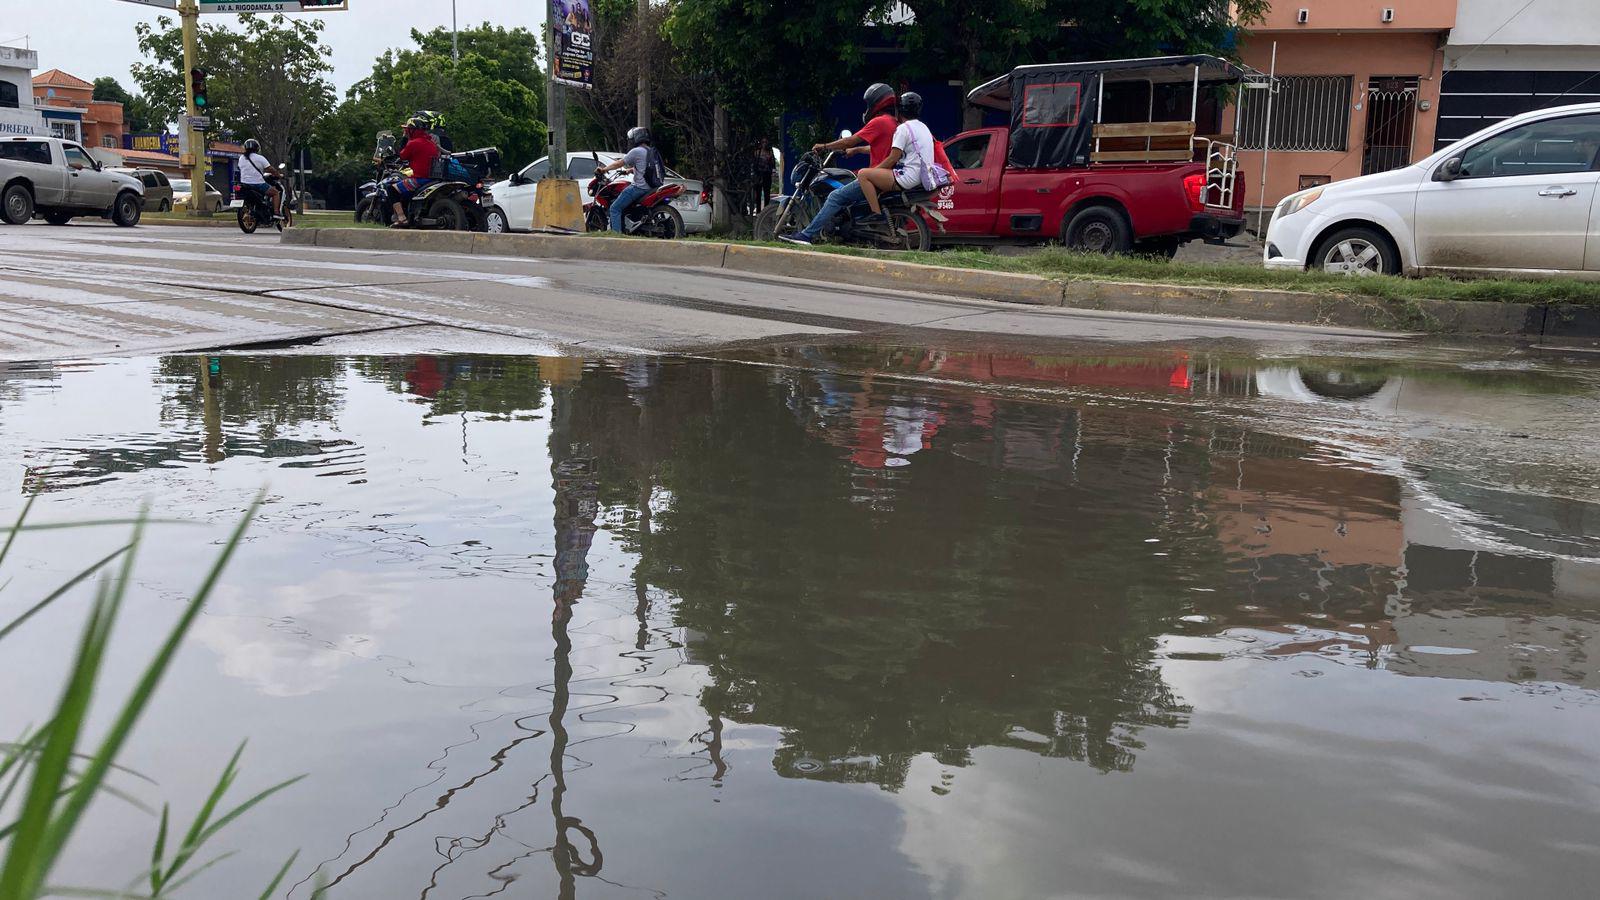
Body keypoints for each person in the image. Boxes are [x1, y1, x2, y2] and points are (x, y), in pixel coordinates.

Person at [779, 83, 899, 246]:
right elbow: (878, 148)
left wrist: (825, 146)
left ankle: (807, 235)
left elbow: (850, 140)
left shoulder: (879, 122)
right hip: (885, 175)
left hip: (876, 177)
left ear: (875, 101)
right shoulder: (892, 122)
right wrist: (856, 151)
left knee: (835, 196)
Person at [854, 91, 951, 223]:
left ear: (899, 110)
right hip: (923, 177)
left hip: (908, 177)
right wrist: (858, 150)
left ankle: (876, 215)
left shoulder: (903, 129)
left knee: (863, 174)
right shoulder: (923, 127)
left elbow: (893, 158)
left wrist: (875, 171)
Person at [595, 126, 655, 233]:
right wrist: (630, 170)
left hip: (639, 188)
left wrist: (604, 169)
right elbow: (646, 168)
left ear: (635, 139)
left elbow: (619, 163)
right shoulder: (651, 151)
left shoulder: (636, 151)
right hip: (651, 187)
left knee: (614, 208)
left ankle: (616, 235)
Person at [388, 118, 441, 227]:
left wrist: (404, 138)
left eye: (407, 130)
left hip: (420, 179)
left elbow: (402, 155)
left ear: (412, 130)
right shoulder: (431, 142)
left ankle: (402, 218)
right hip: (433, 178)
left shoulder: (413, 143)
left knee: (392, 189)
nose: (406, 132)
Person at [237, 139, 281, 220]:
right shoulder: (260, 158)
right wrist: (278, 174)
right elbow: (270, 169)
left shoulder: (241, 158)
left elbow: (240, 168)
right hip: (258, 184)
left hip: (244, 184)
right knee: (275, 193)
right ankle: (276, 213)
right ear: (257, 148)